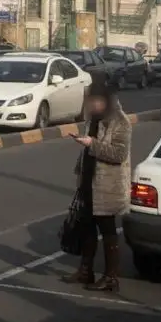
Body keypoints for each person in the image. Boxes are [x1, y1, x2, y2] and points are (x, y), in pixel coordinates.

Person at [63, 73, 132, 293]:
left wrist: (91, 144)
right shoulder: (93, 119)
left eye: (97, 100)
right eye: (91, 100)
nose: (93, 104)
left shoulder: (119, 121)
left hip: (108, 187)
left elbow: (119, 154)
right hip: (88, 182)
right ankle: (86, 270)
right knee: (86, 227)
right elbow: (88, 149)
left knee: (108, 230)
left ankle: (111, 277)